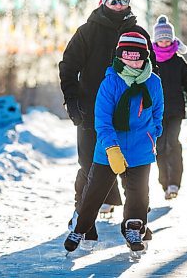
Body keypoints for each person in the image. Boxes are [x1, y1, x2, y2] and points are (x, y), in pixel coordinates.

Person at [59, 0, 156, 241]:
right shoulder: (86, 32)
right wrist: (73, 102)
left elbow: (152, 74)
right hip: (92, 113)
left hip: (132, 120)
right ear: (103, 1)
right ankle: (84, 219)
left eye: (123, 1)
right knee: (90, 166)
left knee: (135, 169)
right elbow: (67, 69)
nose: (118, 6)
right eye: (112, 1)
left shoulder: (140, 34)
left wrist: (151, 113)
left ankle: (136, 221)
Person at [64, 32, 164, 252]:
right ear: (119, 56)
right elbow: (102, 121)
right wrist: (112, 148)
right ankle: (80, 228)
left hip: (140, 149)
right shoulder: (110, 83)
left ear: (145, 57)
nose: (132, 60)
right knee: (95, 192)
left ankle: (134, 228)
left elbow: (157, 113)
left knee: (139, 194)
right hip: (109, 149)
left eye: (137, 55)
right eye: (126, 55)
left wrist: (153, 134)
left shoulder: (153, 82)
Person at [151, 15, 187, 200]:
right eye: (161, 40)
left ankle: (174, 183)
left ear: (173, 40)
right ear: (156, 41)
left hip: (175, 111)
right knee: (159, 147)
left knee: (172, 144)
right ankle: (164, 183)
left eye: (167, 39)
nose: (164, 42)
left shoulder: (178, 62)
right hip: (156, 112)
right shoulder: (151, 62)